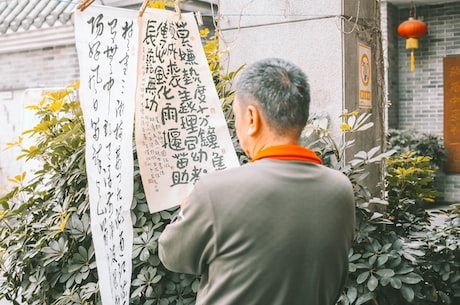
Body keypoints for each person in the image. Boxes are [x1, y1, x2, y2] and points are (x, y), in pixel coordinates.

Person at [158, 57, 355, 305]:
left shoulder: (215, 191)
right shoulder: (340, 189)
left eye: (236, 115)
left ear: (251, 118)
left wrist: (187, 209)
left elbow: (172, 255)